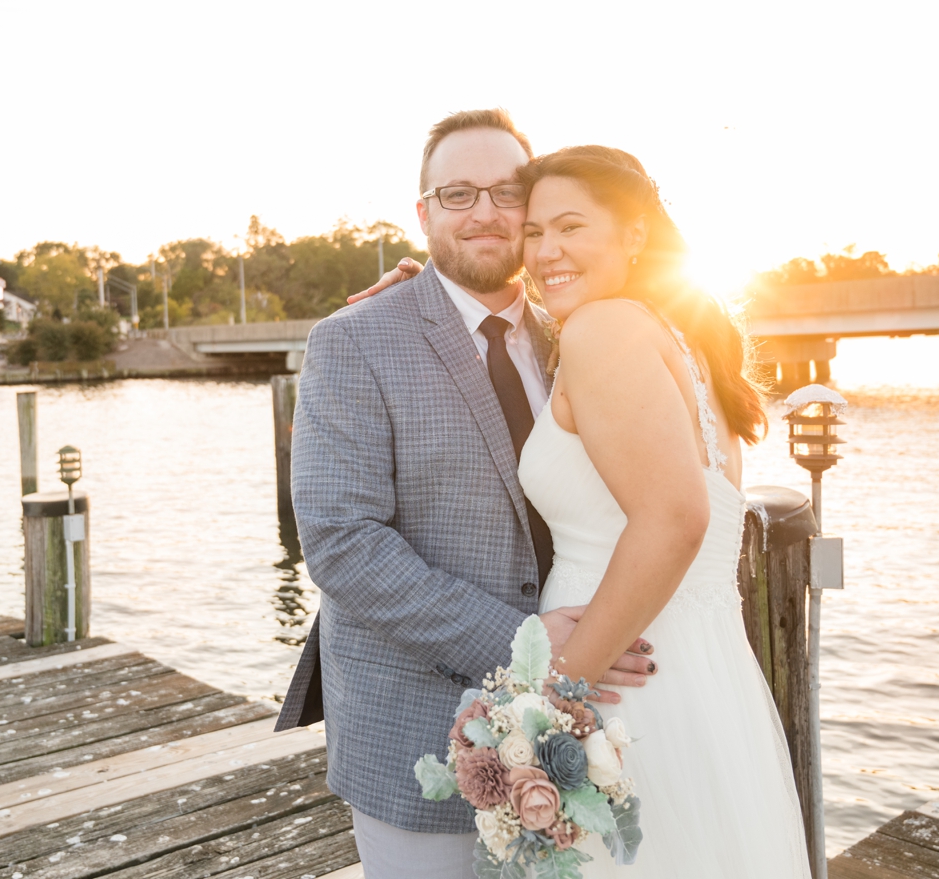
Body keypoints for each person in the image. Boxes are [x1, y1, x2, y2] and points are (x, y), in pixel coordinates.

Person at [347, 142, 811, 876]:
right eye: (535, 233)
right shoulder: (675, 340)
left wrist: (549, 698)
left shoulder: (605, 329)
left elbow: (675, 520)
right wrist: (421, 296)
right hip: (697, 676)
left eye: (570, 227)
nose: (545, 250)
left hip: (614, 688)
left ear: (632, 236)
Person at [276, 110, 656, 879]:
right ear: (422, 214)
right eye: (457, 194)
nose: (484, 211)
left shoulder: (576, 333)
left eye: (506, 191)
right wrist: (532, 645)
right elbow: (344, 545)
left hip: (583, 732)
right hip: (416, 728)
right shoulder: (353, 340)